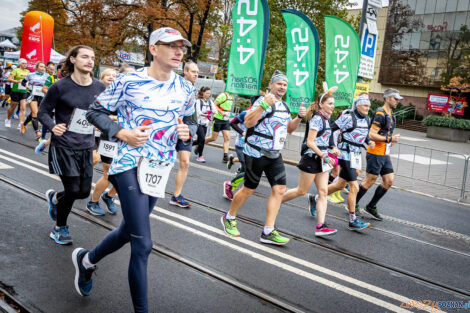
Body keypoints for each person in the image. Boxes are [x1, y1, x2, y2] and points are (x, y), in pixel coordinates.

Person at [72, 27, 192, 313]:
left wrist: (185, 131)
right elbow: (94, 112)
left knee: (129, 231)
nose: (179, 52)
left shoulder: (185, 87)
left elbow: (186, 121)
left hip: (159, 166)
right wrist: (123, 132)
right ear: (153, 49)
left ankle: (87, 261)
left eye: (182, 47)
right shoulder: (129, 81)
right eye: (171, 45)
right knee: (143, 244)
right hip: (128, 163)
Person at [221, 70, 306, 245]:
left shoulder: (285, 106)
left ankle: (268, 230)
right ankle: (229, 217)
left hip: (274, 154)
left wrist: (299, 117)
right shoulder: (263, 101)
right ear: (271, 85)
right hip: (256, 152)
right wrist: (263, 106)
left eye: (284, 84)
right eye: (279, 84)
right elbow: (248, 122)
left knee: (280, 189)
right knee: (249, 189)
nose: (282, 87)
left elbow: (289, 129)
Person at [38, 45, 106, 245]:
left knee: (84, 192)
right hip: (64, 145)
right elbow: (43, 112)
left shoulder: (99, 87)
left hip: (86, 145)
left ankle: (56, 199)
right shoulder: (60, 87)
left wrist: (102, 125)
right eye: (85, 56)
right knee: (74, 189)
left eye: (92, 57)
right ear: (73, 60)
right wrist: (52, 126)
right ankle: (59, 227)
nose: (90, 61)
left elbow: (102, 112)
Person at [281, 83, 340, 237]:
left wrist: (332, 148)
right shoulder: (316, 119)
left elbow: (325, 138)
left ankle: (321, 226)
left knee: (323, 191)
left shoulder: (327, 119)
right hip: (312, 159)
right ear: (321, 105)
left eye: (333, 104)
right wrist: (324, 155)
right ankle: (276, 201)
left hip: (322, 160)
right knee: (302, 191)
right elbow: (310, 142)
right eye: (330, 104)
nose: (333, 106)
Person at [310, 94, 374, 231]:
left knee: (340, 184)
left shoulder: (367, 119)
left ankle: (315, 198)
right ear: (358, 105)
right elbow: (331, 129)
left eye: (369, 106)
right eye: (365, 105)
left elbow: (365, 134)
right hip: (345, 154)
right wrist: (333, 146)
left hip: (356, 155)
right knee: (354, 187)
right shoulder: (348, 117)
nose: (368, 108)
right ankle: (353, 220)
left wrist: (369, 142)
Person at [354, 88, 402, 221]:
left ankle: (370, 207)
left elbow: (386, 134)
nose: (397, 101)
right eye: (395, 98)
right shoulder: (380, 113)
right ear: (387, 98)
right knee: (369, 181)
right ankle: (353, 203)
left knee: (389, 180)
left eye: (398, 99)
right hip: (375, 153)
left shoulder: (391, 115)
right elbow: (371, 134)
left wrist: (391, 141)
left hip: (385, 154)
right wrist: (389, 139)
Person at [86, 68, 119, 216]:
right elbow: (89, 112)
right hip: (97, 134)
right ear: (102, 77)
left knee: (124, 173)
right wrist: (110, 119)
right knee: (105, 168)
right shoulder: (97, 91)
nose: (111, 78)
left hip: (116, 137)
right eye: (109, 75)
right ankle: (92, 200)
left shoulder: (122, 94)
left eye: (114, 76)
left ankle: (109, 196)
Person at [169, 61, 199, 208]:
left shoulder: (193, 89)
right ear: (185, 72)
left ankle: (176, 196)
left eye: (197, 73)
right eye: (193, 72)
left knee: (185, 162)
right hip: (170, 126)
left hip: (185, 127)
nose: (196, 75)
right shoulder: (176, 84)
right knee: (160, 161)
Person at [35, 63, 65, 154]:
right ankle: (43, 137)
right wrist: (55, 95)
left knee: (62, 126)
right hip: (52, 103)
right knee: (49, 121)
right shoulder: (52, 78)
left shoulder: (69, 79)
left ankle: (49, 142)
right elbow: (44, 89)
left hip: (63, 106)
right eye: (63, 69)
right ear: (59, 70)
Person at [223, 110, 247, 200]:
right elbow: (232, 123)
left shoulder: (265, 114)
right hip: (242, 145)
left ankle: (232, 160)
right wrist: (242, 132)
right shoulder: (246, 113)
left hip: (254, 148)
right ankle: (230, 185)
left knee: (246, 170)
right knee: (247, 169)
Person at [204, 91, 234, 162]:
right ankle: (200, 144)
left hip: (226, 120)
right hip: (218, 119)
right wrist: (222, 112)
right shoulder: (223, 95)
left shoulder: (231, 96)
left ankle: (225, 156)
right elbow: (214, 104)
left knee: (227, 138)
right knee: (213, 138)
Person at [22, 61, 50, 138]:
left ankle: (24, 124)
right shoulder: (30, 74)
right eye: (41, 66)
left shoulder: (47, 76)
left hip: (42, 96)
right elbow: (23, 82)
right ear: (37, 67)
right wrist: (26, 86)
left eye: (44, 67)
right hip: (32, 94)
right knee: (35, 113)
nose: (43, 68)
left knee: (34, 113)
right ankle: (37, 132)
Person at [5, 58, 30, 129]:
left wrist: (28, 86)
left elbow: (29, 81)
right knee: (13, 107)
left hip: (24, 91)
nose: (25, 65)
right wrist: (17, 81)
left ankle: (21, 123)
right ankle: (8, 119)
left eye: (26, 63)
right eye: (23, 63)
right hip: (15, 90)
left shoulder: (28, 71)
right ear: (20, 64)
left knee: (23, 107)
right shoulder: (16, 70)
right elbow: (9, 79)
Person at [193, 86, 215, 162]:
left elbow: (215, 110)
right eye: (207, 93)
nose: (208, 94)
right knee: (202, 140)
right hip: (198, 123)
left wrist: (212, 112)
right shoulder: (198, 101)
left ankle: (185, 145)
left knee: (199, 141)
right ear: (202, 93)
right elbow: (199, 112)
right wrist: (206, 114)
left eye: (209, 93)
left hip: (205, 124)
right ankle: (200, 156)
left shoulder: (210, 101)